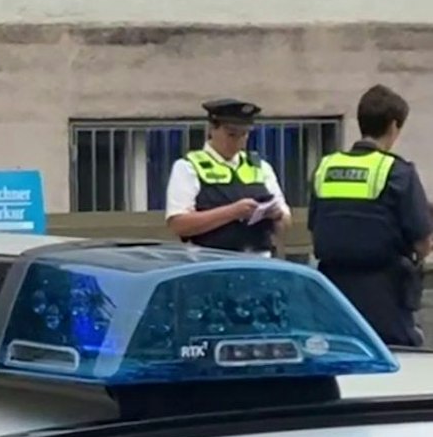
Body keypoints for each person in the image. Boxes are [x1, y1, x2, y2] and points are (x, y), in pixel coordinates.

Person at [309, 84, 433, 347]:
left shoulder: (326, 167)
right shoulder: (398, 172)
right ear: (394, 125)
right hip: (385, 296)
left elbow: (315, 227)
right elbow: (423, 242)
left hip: (333, 293)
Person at [163, 98, 288, 256]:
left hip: (258, 260)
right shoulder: (188, 167)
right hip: (211, 261)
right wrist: (232, 212)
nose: (238, 142)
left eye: (244, 134)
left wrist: (277, 216)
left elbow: (286, 223)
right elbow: (178, 225)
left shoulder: (261, 167)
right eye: (231, 134)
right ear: (212, 129)